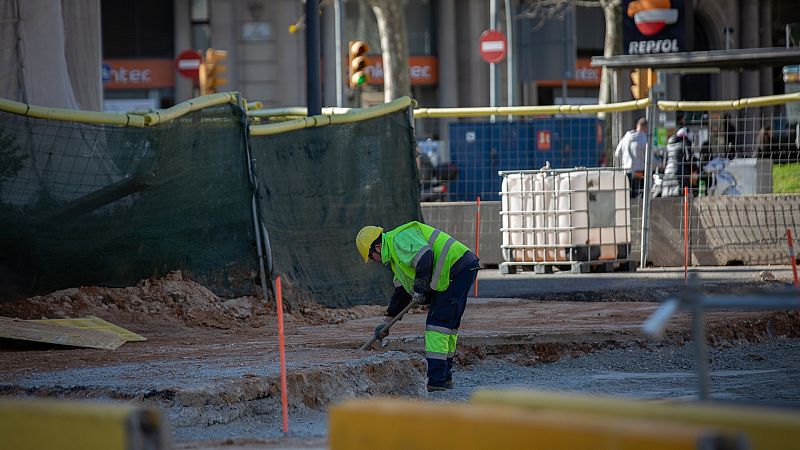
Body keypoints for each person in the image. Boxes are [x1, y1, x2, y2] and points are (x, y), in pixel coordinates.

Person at [355, 222, 479, 392]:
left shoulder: (398, 239)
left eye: (371, 256)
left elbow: (425, 257)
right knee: (447, 326)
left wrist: (420, 288)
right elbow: (401, 294)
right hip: (459, 269)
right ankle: (444, 378)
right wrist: (387, 322)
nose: (373, 261)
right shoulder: (396, 260)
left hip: (456, 267)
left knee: (438, 326)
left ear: (377, 247)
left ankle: (437, 381)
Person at [614, 118, 648, 198]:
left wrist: (625, 161)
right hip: (639, 171)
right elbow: (648, 155)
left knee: (628, 196)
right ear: (645, 127)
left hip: (626, 170)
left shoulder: (626, 137)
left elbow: (617, 153)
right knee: (640, 195)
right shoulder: (644, 138)